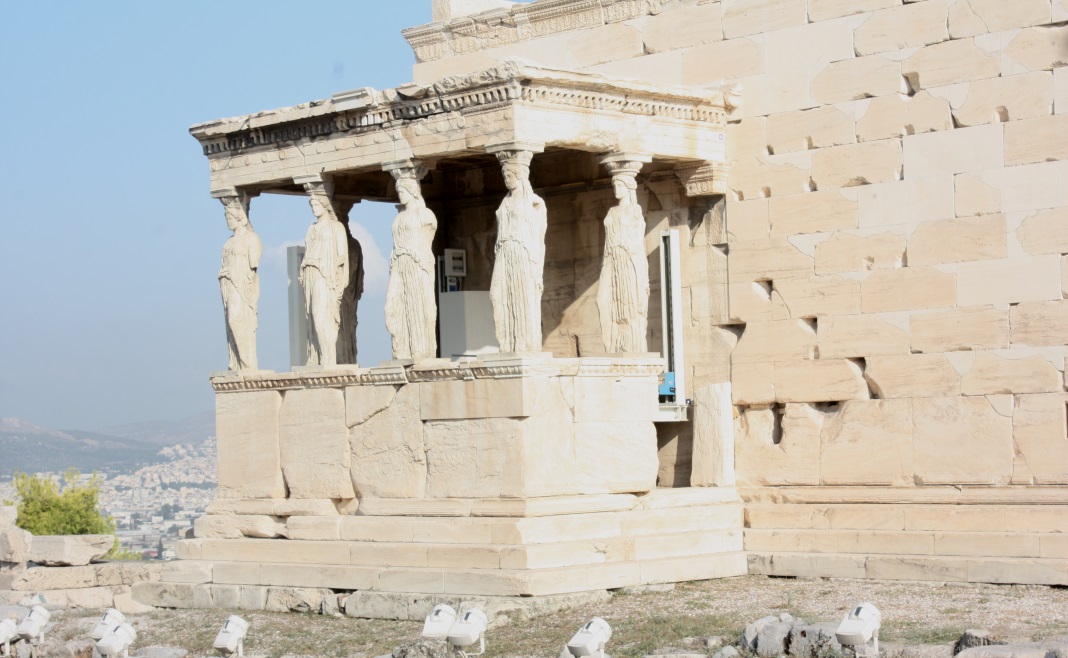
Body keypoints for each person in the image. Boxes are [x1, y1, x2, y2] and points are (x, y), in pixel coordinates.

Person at [490, 150, 547, 353]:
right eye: (505, 175)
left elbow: (540, 236)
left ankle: (525, 344)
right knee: (497, 294)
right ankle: (507, 342)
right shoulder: (504, 202)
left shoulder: (534, 203)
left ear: (520, 175)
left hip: (523, 254)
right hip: (505, 252)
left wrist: (537, 267)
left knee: (524, 298)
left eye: (510, 175)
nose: (507, 179)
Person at [384, 174, 438, 360]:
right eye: (398, 191)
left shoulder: (426, 215)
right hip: (399, 265)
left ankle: (420, 351)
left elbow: (427, 244)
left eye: (403, 191)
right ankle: (401, 350)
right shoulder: (399, 218)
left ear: (413, 190)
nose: (400, 195)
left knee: (417, 307)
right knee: (392, 307)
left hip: (416, 264)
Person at [597, 164, 649, 352]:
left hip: (628, 261)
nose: (616, 190)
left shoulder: (635, 211)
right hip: (612, 260)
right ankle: (615, 343)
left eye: (619, 186)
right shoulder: (612, 212)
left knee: (630, 305)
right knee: (606, 301)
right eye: (614, 186)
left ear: (628, 188)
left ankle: (631, 345)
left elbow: (637, 242)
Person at [300, 190, 349, 366]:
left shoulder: (336, 227)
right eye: (311, 205)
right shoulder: (311, 228)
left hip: (325, 276)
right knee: (312, 317)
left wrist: (340, 284)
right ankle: (317, 358)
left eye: (317, 204)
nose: (314, 208)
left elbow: (342, 257)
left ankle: (328, 358)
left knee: (321, 315)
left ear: (325, 205)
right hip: (310, 274)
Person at [218, 195, 262, 371]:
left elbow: (254, 263)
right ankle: (237, 362)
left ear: (240, 218)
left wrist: (234, 273)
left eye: (230, 218)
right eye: (226, 218)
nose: (228, 221)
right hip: (228, 286)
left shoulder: (251, 238)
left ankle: (247, 363)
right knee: (230, 323)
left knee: (236, 320)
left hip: (242, 286)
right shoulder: (229, 241)